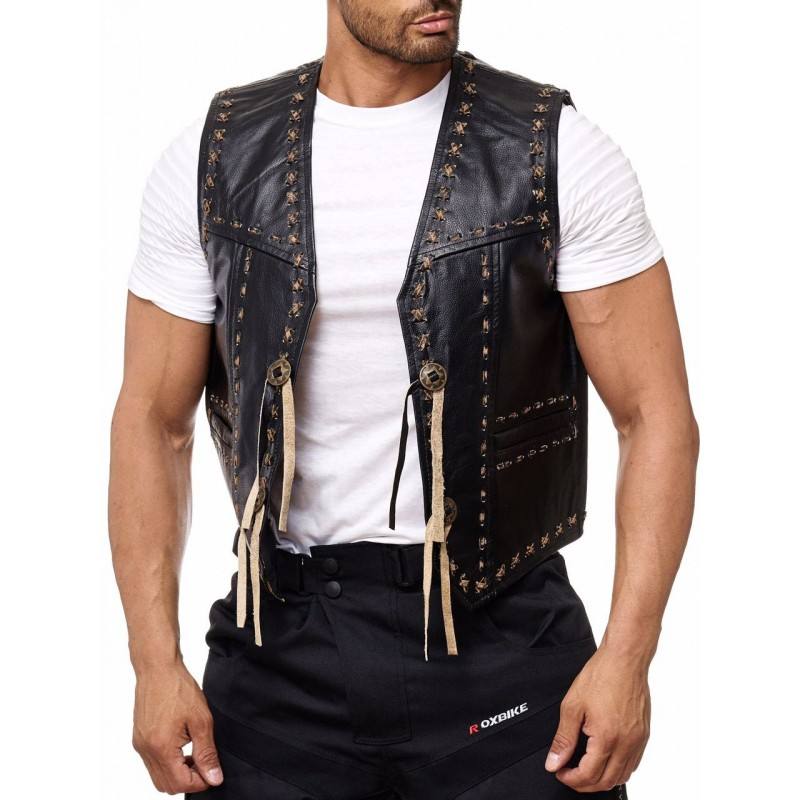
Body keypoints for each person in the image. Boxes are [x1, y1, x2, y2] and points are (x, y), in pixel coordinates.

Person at [108, 1, 699, 797]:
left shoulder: (554, 149)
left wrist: (629, 657)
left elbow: (655, 414)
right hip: (279, 651)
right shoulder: (218, 156)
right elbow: (153, 423)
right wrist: (154, 664)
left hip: (504, 644)